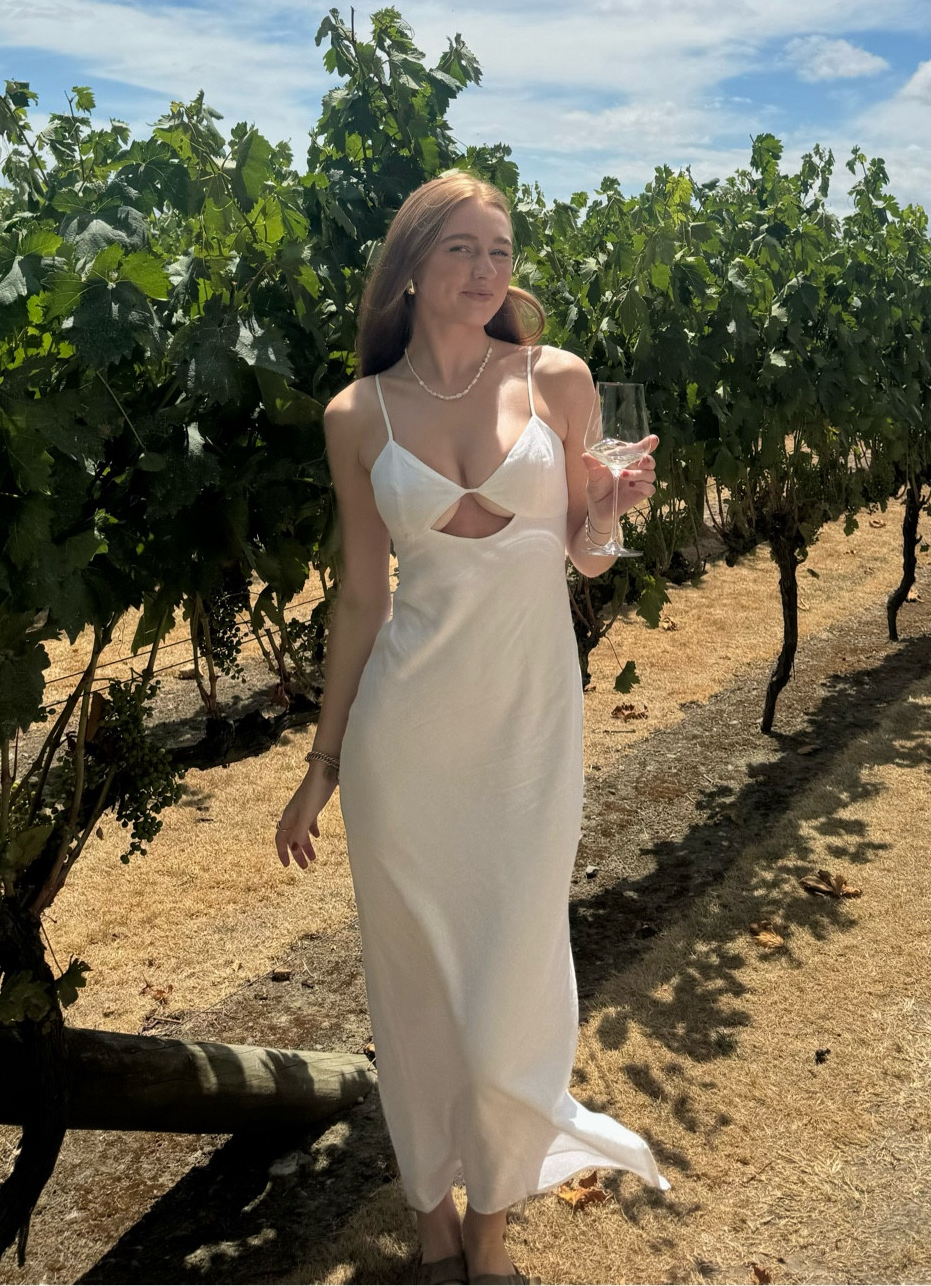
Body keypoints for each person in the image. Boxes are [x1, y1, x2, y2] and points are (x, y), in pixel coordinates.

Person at [274, 170, 669, 1285]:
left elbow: (585, 556)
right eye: (461, 248)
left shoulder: (558, 380)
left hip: (529, 730)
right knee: (415, 989)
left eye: (500, 251)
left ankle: (491, 1221)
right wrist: (323, 765)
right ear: (410, 267)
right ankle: (435, 1216)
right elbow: (363, 600)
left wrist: (609, 512)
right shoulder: (357, 416)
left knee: (512, 989)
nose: (487, 270)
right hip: (407, 741)